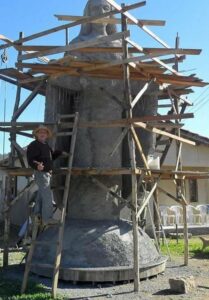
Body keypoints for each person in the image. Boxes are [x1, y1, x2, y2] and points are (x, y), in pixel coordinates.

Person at [27, 125, 65, 226]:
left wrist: (59, 152)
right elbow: (30, 159)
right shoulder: (34, 145)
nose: (43, 134)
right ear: (37, 134)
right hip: (40, 173)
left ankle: (36, 214)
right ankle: (47, 219)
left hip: (46, 173)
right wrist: (37, 165)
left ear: (47, 135)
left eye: (45, 132)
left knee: (41, 195)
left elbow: (50, 158)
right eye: (40, 132)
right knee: (47, 196)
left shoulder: (46, 145)